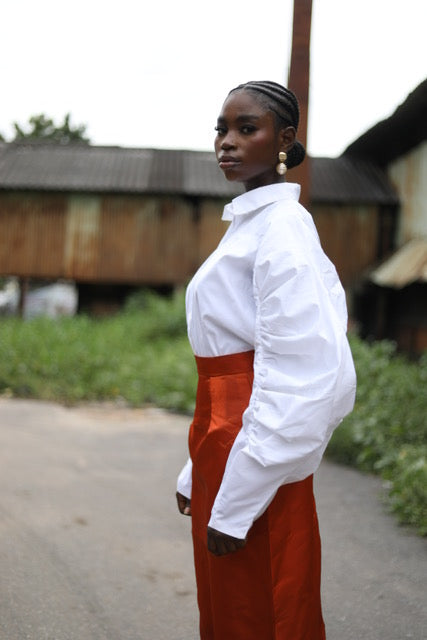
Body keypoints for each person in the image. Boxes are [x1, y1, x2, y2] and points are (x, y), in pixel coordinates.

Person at [176, 80, 356, 640]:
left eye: (245, 128)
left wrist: (236, 500)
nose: (226, 142)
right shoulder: (250, 226)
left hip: (255, 455)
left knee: (266, 611)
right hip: (224, 443)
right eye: (220, 129)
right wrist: (197, 469)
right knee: (228, 610)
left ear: (284, 139)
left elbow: (304, 374)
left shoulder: (283, 229)